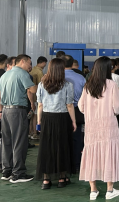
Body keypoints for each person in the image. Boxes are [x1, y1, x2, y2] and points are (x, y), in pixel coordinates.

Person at [79, 57, 119, 200]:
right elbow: (118, 106)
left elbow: (81, 106)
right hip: (108, 125)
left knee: (92, 155)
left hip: (92, 126)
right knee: (108, 154)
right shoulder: (111, 84)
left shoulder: (88, 85)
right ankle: (110, 190)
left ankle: (93, 190)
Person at [36, 58, 77, 190]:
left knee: (47, 148)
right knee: (62, 147)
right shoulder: (67, 85)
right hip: (62, 118)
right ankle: (62, 178)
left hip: (47, 118)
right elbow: (69, 105)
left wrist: (39, 121)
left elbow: (40, 105)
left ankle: (46, 180)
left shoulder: (42, 84)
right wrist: (74, 121)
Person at [0, 54, 37, 184]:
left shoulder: (5, 75)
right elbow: (32, 89)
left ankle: (6, 171)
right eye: (29, 63)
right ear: (22, 61)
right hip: (17, 111)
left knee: (7, 141)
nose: (30, 66)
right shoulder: (22, 73)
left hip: (6, 110)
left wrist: (1, 110)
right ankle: (18, 173)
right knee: (19, 142)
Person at [63, 55, 87, 172]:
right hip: (77, 110)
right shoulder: (81, 77)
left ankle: (63, 165)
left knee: (62, 138)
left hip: (60, 111)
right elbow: (86, 95)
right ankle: (76, 165)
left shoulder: (55, 76)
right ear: (73, 63)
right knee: (77, 138)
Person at [29, 56, 48, 141]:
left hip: (31, 96)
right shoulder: (39, 72)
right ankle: (35, 133)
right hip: (36, 97)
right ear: (43, 63)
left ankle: (30, 132)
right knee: (36, 115)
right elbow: (42, 85)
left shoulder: (32, 70)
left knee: (32, 115)